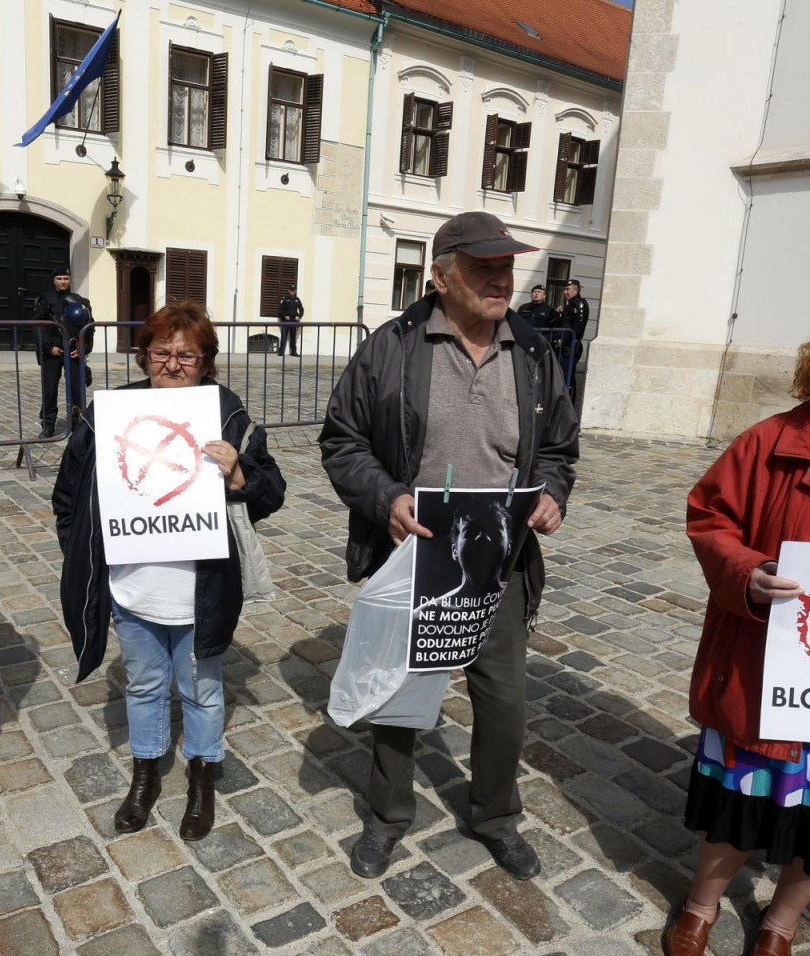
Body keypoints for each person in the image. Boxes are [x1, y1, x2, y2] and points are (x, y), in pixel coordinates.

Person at [319, 210, 579, 881]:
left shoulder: (533, 349)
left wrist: (550, 492)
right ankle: (386, 817)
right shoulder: (393, 347)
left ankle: (495, 815)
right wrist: (386, 500)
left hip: (499, 560)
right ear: (441, 276)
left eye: (506, 267)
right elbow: (342, 441)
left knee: (504, 702)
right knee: (401, 698)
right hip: (416, 554)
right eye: (484, 267)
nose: (502, 279)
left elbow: (557, 449)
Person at [52, 300, 285, 842]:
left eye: (188, 354)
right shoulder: (107, 413)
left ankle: (202, 774)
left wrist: (239, 475)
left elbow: (273, 492)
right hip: (134, 588)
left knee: (203, 690)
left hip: (199, 590)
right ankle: (146, 774)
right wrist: (87, 552)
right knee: (144, 684)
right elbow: (68, 495)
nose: (173, 363)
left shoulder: (229, 415)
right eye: (161, 352)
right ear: (144, 356)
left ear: (207, 362)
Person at [662, 340, 810, 956]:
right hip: (761, 670)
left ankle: (781, 920)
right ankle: (702, 903)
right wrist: (747, 574)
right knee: (737, 794)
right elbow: (708, 516)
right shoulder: (769, 442)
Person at [32, 266, 93, 438]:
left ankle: (77, 422)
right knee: (50, 390)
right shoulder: (45, 299)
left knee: (76, 388)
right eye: (59, 278)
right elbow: (38, 327)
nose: (63, 281)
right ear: (54, 280)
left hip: (73, 351)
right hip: (52, 352)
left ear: (70, 280)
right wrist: (48, 347)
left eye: (66, 278)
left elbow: (89, 328)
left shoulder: (81, 301)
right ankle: (48, 425)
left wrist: (83, 349)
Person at [278, 285, 304, 357]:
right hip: (286, 321)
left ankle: (293, 351)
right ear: (288, 291)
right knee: (284, 336)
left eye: (294, 290)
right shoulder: (285, 299)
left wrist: (299, 317)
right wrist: (284, 316)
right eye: (291, 290)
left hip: (293, 321)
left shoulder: (297, 299)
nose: (292, 291)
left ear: (295, 291)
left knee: (293, 337)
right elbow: (280, 310)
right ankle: (281, 351)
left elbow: (301, 309)